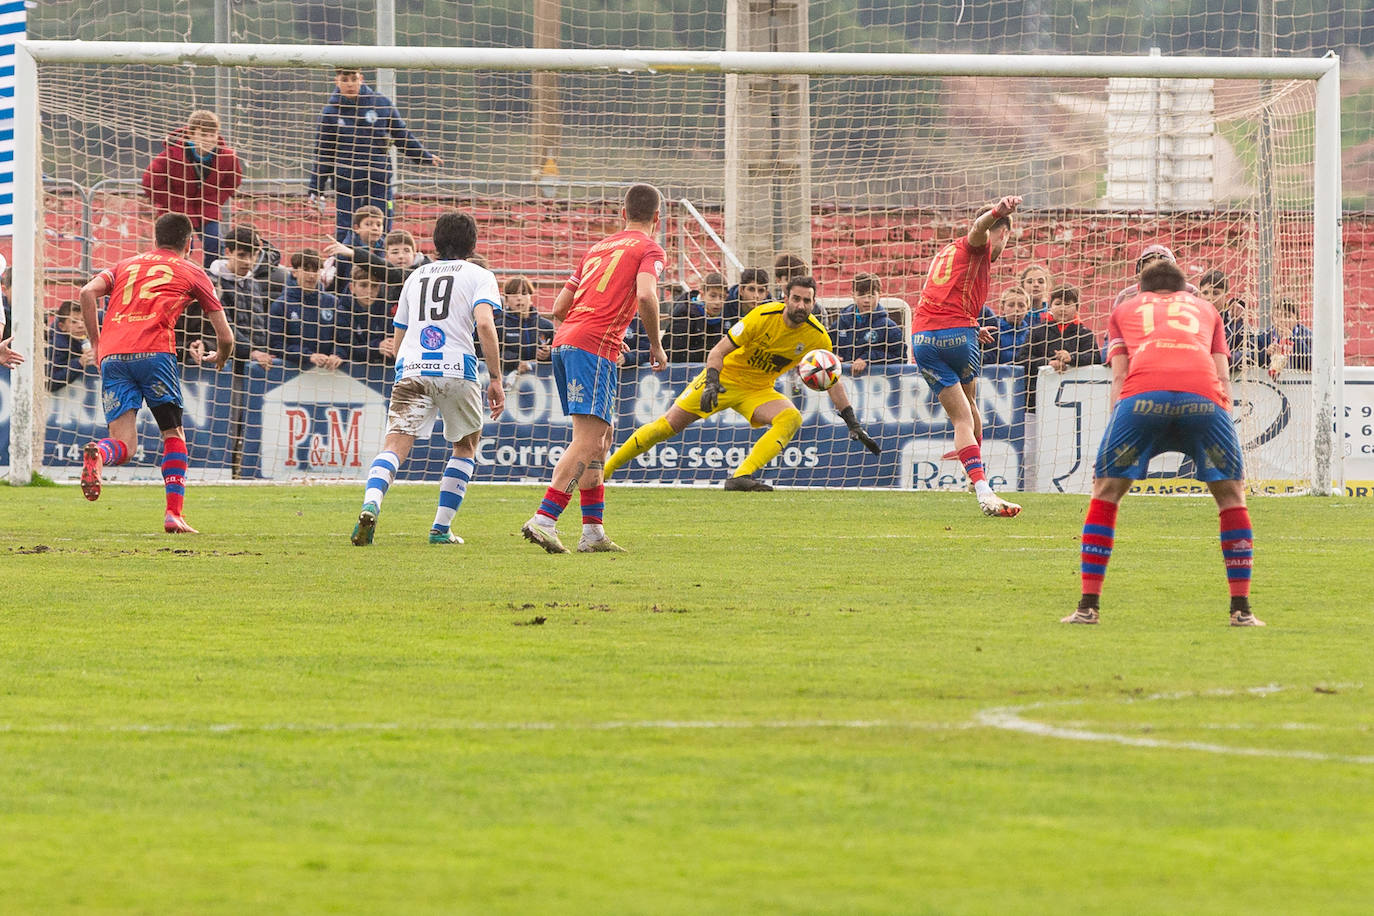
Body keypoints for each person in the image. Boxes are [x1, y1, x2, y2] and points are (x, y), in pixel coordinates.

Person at [1063, 259, 1262, 627]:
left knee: (1106, 491)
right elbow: (1222, 374)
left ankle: (1088, 607)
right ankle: (1242, 611)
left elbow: (1120, 376)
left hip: (1142, 399)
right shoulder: (1207, 309)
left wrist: (1118, 425)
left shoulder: (1125, 309)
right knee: (1232, 495)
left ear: (1144, 291)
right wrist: (1221, 418)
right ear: (1185, 290)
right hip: (1203, 399)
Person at [606, 274, 881, 489]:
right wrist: (712, 382)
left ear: (813, 302)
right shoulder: (762, 316)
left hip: (759, 390)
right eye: (796, 299)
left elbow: (832, 380)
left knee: (791, 418)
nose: (801, 305)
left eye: (807, 301)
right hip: (723, 378)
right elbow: (717, 352)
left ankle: (741, 476)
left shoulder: (818, 337)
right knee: (666, 427)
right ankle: (603, 472)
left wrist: (852, 422)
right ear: (785, 297)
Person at [520, 183, 668, 555]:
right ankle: (545, 519)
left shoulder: (597, 248)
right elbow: (647, 294)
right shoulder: (650, 248)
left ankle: (592, 532)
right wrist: (654, 343)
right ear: (657, 219)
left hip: (565, 341)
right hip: (593, 346)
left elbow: (557, 308)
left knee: (600, 439)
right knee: (588, 440)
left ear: (622, 214)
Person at [351, 211, 505, 546]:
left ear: (435, 242)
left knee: (394, 446)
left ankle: (371, 503)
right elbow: (484, 324)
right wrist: (495, 377)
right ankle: (440, 528)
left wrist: (404, 367)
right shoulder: (479, 275)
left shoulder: (415, 276)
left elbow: (399, 331)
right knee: (465, 447)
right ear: (472, 242)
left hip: (412, 367)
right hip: (456, 369)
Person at [77, 213, 234, 534]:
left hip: (113, 356)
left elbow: (86, 292)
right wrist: (221, 355)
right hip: (155, 354)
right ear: (189, 243)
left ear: (155, 238)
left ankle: (99, 454)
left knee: (124, 445)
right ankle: (173, 514)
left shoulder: (126, 266)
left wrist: (96, 342)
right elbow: (226, 336)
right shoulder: (192, 270)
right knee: (173, 435)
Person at [912, 195, 1023, 517]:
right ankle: (983, 488)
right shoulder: (979, 242)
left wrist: (973, 326)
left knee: (959, 416)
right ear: (1002, 233)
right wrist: (998, 213)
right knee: (968, 411)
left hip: (922, 337)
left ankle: (971, 467)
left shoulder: (945, 253)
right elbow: (978, 228)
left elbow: (942, 297)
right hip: (956, 335)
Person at [307, 67, 444, 241]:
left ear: (361, 79)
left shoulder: (381, 104)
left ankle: (379, 266)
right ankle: (343, 267)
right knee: (346, 233)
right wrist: (316, 191)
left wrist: (423, 156)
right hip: (347, 186)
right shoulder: (330, 113)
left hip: (378, 182)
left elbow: (401, 134)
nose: (350, 84)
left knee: (381, 231)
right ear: (337, 81)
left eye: (353, 79)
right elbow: (323, 155)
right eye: (345, 79)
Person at [140, 110, 244, 268]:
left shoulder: (227, 156)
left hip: (207, 207)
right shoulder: (172, 153)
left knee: (214, 242)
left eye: (212, 134)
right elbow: (150, 180)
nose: (209, 139)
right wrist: (170, 201)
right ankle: (179, 276)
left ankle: (211, 279)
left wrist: (216, 199)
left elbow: (233, 180)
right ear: (191, 134)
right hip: (178, 209)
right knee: (181, 247)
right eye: (203, 135)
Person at [1016, 285, 1102, 411]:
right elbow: (1023, 359)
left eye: (1067, 304)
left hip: (1075, 397)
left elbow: (1095, 358)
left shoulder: (1084, 333)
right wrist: (1048, 364)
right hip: (1036, 399)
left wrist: (1071, 358)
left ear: (1077, 308)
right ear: (1050, 306)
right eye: (1058, 303)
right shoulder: (1037, 331)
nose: (1062, 308)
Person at [204, 226, 275, 370]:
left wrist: (261, 351)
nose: (248, 262)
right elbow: (224, 326)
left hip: (255, 364)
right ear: (228, 252)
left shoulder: (253, 283)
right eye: (242, 255)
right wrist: (252, 352)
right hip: (224, 365)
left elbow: (259, 325)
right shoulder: (214, 283)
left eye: (252, 255)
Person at [268, 249, 342, 370]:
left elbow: (342, 338)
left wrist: (337, 354)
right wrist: (307, 356)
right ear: (295, 272)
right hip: (293, 374)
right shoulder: (281, 305)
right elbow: (276, 345)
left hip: (330, 373)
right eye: (306, 270)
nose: (311, 275)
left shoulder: (332, 302)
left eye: (316, 270)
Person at [831, 272, 905, 375]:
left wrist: (869, 358)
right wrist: (832, 356)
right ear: (853, 295)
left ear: (880, 294)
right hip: (844, 382)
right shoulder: (840, 323)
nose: (866, 300)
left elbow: (901, 358)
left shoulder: (889, 327)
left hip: (876, 386)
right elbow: (827, 349)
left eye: (871, 295)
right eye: (861, 295)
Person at [665, 271, 733, 364]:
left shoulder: (726, 316)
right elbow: (674, 354)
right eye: (713, 296)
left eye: (722, 297)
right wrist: (712, 354)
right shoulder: (685, 313)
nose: (718, 301)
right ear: (702, 294)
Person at [493, 275, 554, 375]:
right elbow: (490, 353)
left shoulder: (546, 326)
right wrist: (516, 362)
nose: (519, 298)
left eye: (524, 293)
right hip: (508, 379)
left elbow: (559, 353)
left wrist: (548, 354)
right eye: (514, 294)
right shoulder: (499, 326)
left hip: (540, 382)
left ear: (530, 298)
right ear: (506, 300)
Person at [1197, 268, 1254, 370]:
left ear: (1226, 296)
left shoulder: (1236, 321)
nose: (1209, 297)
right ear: (1199, 295)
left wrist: (1224, 360)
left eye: (1215, 293)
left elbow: (1250, 350)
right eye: (1205, 293)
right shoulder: (1193, 320)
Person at [321, 204, 387, 290]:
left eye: (379, 225)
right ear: (356, 228)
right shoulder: (345, 251)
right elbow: (341, 284)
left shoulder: (384, 247)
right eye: (368, 224)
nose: (375, 228)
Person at [1112, 244, 1198, 309]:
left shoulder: (1190, 292)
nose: (1155, 273)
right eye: (1149, 266)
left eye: (1160, 267)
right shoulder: (1127, 296)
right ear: (1140, 271)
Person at [46, 300, 97, 393]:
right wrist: (79, 363)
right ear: (62, 327)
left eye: (84, 320)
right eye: (74, 322)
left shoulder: (95, 328)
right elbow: (50, 383)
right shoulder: (56, 346)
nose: (81, 325)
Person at [1257, 297, 1313, 379]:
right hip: (1271, 387)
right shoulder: (1264, 336)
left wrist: (1294, 340)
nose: (1282, 320)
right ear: (1273, 318)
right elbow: (1253, 360)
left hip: (1298, 385)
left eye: (1288, 316)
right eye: (1278, 316)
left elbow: (1311, 364)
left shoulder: (1307, 336)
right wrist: (1266, 353)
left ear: (1297, 319)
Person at [981, 286, 1038, 366]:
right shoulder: (993, 330)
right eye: (1011, 305)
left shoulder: (1031, 334)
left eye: (1021, 306)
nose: (1016, 309)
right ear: (1002, 308)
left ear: (1027, 309)